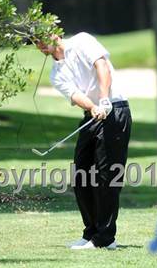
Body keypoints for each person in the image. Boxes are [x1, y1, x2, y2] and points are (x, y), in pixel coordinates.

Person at [36, 32, 132, 249]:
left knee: (106, 177)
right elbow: (75, 95)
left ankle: (106, 239)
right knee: (81, 176)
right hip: (93, 115)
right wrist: (92, 107)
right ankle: (91, 233)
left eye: (41, 38)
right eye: (35, 42)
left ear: (55, 33)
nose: (39, 45)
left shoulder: (82, 41)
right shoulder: (55, 73)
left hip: (115, 110)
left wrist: (104, 98)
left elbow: (102, 66)